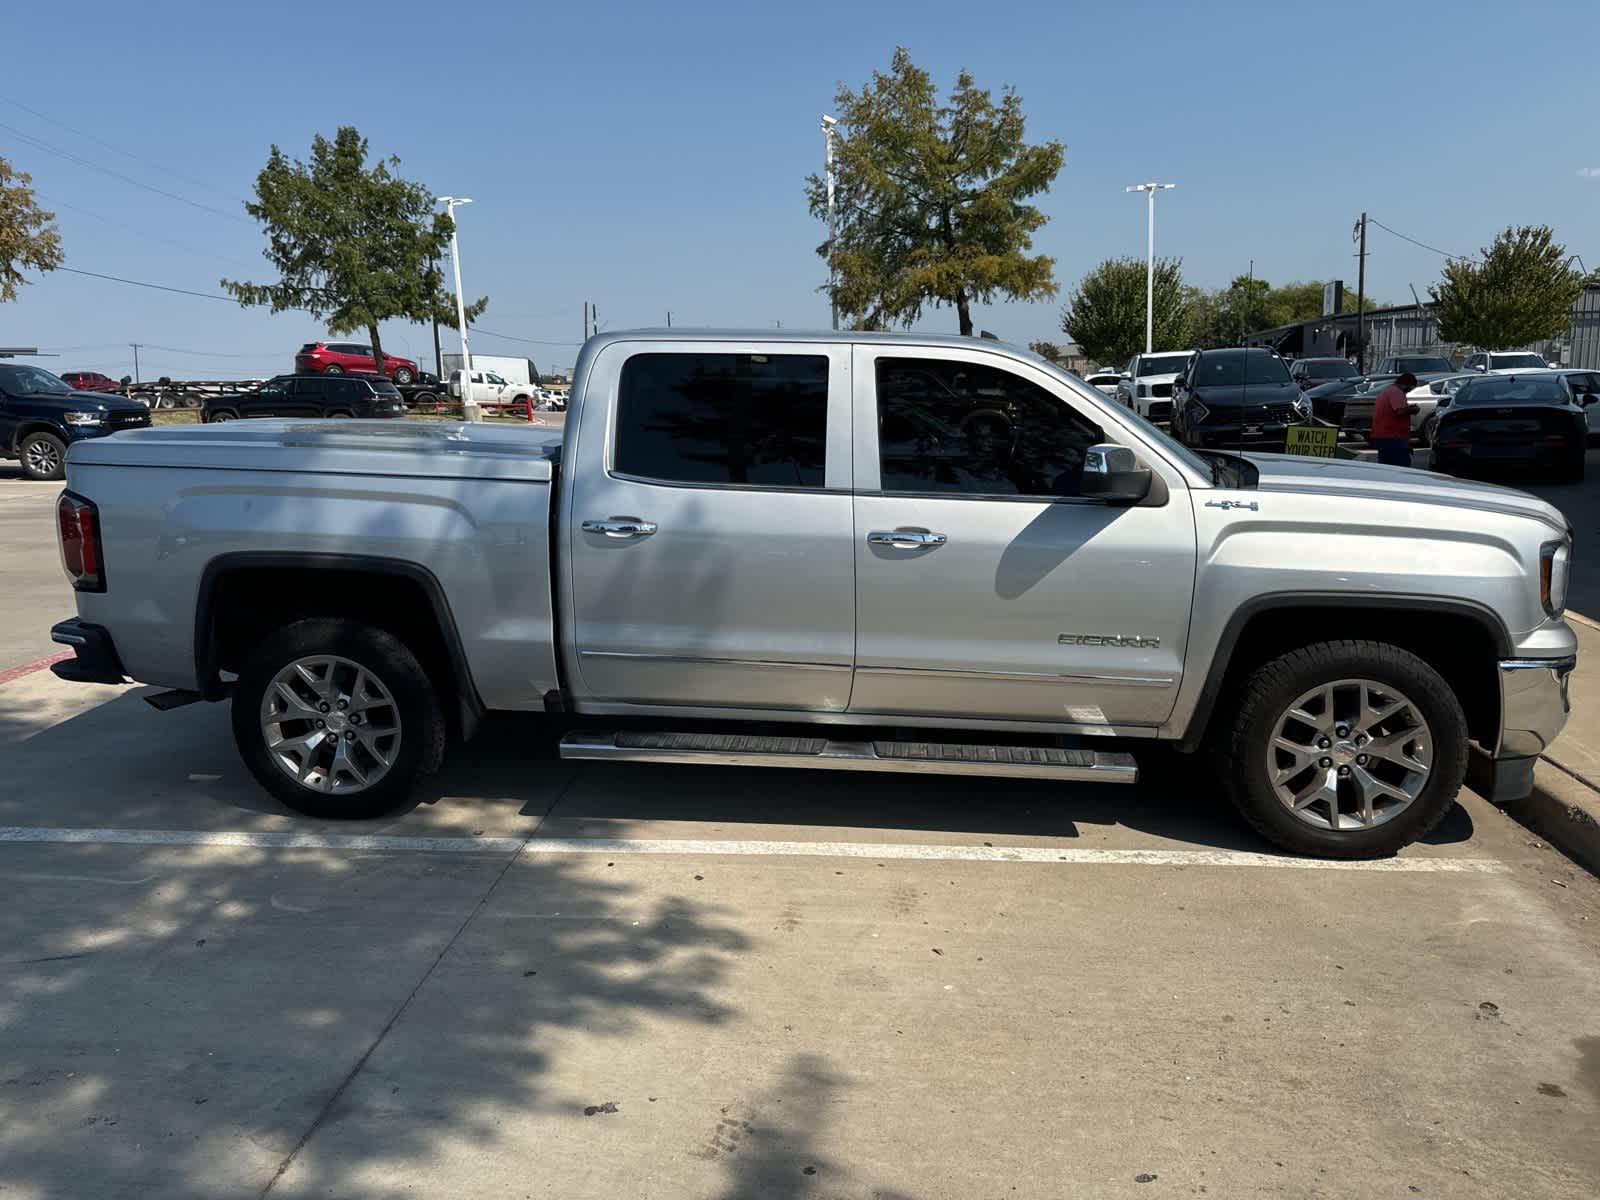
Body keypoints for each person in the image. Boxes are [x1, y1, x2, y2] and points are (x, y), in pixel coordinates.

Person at [1370, 372, 1418, 466]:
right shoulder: (1396, 392)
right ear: (1406, 384)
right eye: (1411, 387)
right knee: (1401, 467)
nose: (1410, 390)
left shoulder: (1388, 390)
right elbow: (1400, 411)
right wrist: (1414, 409)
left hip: (1384, 436)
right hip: (1392, 437)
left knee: (1386, 467)